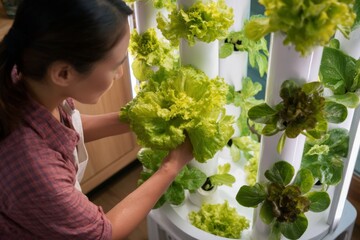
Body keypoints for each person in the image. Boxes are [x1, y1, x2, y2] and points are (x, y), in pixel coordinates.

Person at [0, 0, 194, 239]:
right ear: (63, 73)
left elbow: (68, 128)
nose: (121, 73)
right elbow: (103, 233)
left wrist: (136, 119)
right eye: (116, 65)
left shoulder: (26, 72)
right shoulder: (35, 169)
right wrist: (171, 166)